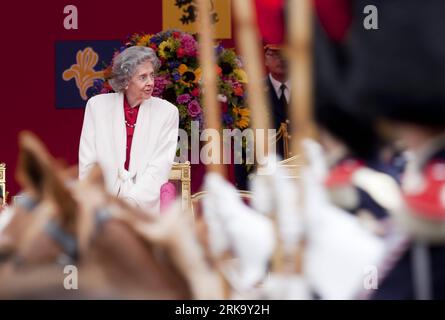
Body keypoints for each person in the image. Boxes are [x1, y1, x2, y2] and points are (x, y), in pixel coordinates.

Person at [79, 46, 179, 214]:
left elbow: (160, 166)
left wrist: (131, 203)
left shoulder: (168, 112)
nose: (151, 82)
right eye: (143, 77)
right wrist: (99, 202)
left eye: (152, 75)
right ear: (125, 81)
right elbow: (88, 162)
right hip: (101, 205)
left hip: (143, 206)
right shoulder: (96, 106)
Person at [263, 43, 291, 159]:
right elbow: (244, 143)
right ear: (266, 59)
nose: (281, 59)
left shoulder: (308, 91)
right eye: (274, 54)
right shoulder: (254, 93)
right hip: (268, 170)